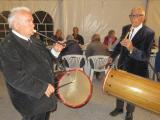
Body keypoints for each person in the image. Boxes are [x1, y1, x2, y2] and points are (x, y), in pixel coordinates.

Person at [0, 7, 64, 120]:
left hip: (45, 93)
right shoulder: (8, 46)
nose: (34, 25)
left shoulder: (34, 40)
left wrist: (55, 51)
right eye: (29, 21)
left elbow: (45, 59)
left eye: (32, 21)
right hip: (31, 97)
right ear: (16, 25)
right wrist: (42, 88)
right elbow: (15, 77)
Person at [108, 7, 154, 120]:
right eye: (131, 15)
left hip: (137, 67)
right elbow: (120, 44)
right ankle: (119, 108)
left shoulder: (149, 33)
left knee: (131, 92)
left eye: (136, 15)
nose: (133, 18)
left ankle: (129, 112)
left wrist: (132, 49)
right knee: (119, 88)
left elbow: (145, 56)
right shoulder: (126, 28)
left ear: (143, 18)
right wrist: (112, 56)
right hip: (122, 64)